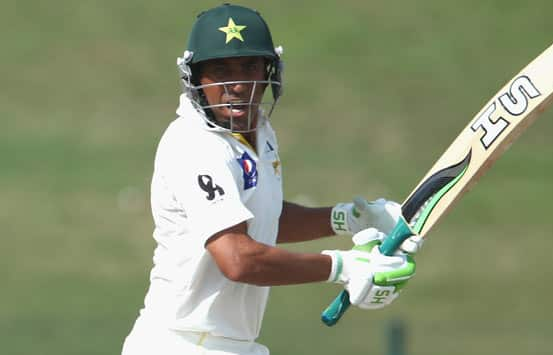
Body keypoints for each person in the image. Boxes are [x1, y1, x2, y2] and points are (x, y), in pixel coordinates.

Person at [121, 4, 421, 355]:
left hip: (234, 346)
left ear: (270, 72)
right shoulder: (193, 144)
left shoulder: (259, 132)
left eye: (249, 67)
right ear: (196, 79)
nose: (236, 85)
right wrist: (343, 267)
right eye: (220, 71)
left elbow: (264, 217)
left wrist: (348, 219)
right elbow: (237, 257)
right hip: (180, 345)